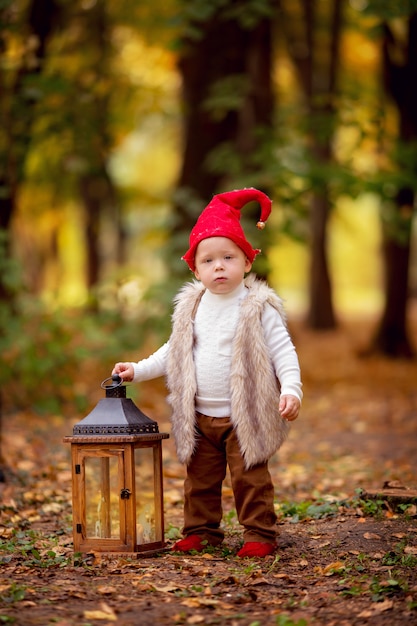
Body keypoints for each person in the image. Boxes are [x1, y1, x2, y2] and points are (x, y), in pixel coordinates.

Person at [112, 188, 302, 558]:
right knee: (199, 480)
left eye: (229, 257)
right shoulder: (192, 308)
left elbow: (283, 352)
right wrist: (137, 369)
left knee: (250, 478)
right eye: (209, 260)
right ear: (195, 269)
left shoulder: (258, 307)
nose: (219, 266)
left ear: (247, 263)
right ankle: (201, 531)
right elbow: (172, 352)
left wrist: (291, 389)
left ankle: (259, 534)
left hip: (244, 414)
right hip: (199, 415)